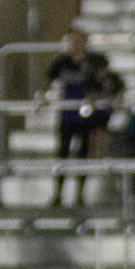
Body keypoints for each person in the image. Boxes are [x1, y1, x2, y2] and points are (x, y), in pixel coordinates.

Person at [44, 30, 96, 208]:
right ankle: (58, 193)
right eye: (73, 41)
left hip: (84, 116)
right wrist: (45, 96)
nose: (76, 44)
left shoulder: (91, 63)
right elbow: (49, 78)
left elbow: (98, 84)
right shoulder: (62, 62)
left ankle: (80, 194)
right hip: (67, 114)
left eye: (79, 41)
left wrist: (93, 98)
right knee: (63, 153)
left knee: (83, 154)